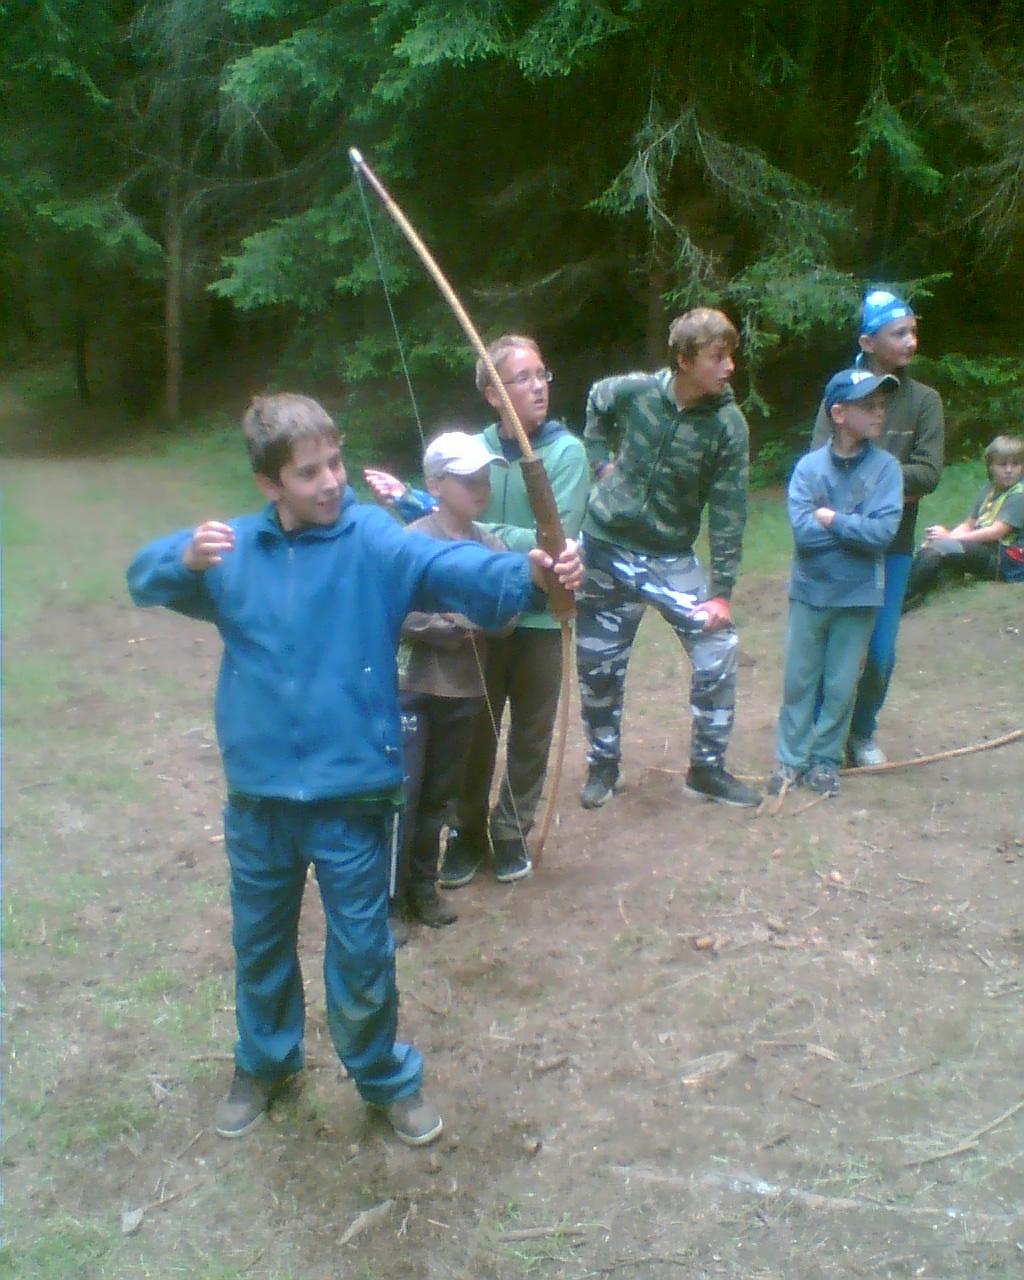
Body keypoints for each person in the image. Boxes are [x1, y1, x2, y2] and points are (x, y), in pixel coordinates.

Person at [126, 393, 582, 1145]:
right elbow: (145, 580)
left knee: (364, 949)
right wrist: (182, 557)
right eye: (309, 472)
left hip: (353, 796)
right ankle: (265, 1063)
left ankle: (380, 1076)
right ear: (270, 483)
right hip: (261, 798)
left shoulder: (372, 537)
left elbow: (449, 563)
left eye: (335, 462)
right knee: (260, 944)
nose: (331, 481)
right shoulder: (235, 551)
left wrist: (533, 579)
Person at [365, 334, 590, 886]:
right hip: (479, 619)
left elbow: (554, 537)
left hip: (541, 616)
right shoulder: (478, 448)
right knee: (473, 732)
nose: (538, 386)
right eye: (522, 378)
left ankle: (511, 831)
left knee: (532, 732)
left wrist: (440, 513)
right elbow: (461, 519)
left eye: (542, 374)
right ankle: (467, 833)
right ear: (493, 392)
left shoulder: (566, 453)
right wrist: (439, 515)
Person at [576, 307, 761, 810]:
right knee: (598, 665)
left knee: (718, 649)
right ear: (684, 360)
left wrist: (721, 591)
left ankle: (706, 770)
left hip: (670, 559)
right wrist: (599, 462)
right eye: (716, 357)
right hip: (604, 547)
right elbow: (597, 400)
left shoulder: (727, 426)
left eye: (730, 357)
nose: (728, 368)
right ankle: (603, 766)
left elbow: (729, 511)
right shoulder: (638, 392)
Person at [811, 290, 944, 766]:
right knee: (831, 645)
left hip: (894, 546)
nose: (911, 341)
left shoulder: (925, 401)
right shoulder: (840, 392)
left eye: (913, 331)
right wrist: (887, 485)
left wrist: (864, 480)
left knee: (880, 652)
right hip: (837, 545)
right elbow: (818, 466)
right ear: (868, 342)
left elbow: (928, 474)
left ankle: (861, 731)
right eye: (898, 333)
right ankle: (820, 733)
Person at [394, 430, 514, 929]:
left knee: (441, 796)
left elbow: (508, 611)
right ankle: (389, 900)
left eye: (484, 478)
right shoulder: (410, 541)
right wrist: (436, 626)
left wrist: (479, 620)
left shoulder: (492, 546)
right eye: (467, 479)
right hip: (411, 689)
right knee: (402, 794)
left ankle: (424, 889)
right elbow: (390, 608)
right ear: (434, 484)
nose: (479, 488)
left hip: (465, 691)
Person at [769, 368, 903, 800]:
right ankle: (790, 761)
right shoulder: (808, 468)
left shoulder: (887, 470)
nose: (879, 412)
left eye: (881, 404)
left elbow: (883, 534)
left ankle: (825, 762)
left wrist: (831, 518)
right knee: (799, 681)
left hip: (859, 595)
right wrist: (854, 528)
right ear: (839, 413)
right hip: (810, 592)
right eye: (869, 405)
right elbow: (804, 535)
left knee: (842, 685)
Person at [902, 434, 1024, 609]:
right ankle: (914, 589)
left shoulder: (1019, 495)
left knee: (942, 547)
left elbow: (996, 532)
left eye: (1016, 464)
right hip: (985, 549)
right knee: (935, 542)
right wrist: (945, 536)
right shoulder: (989, 489)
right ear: (990, 466)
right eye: (1002, 464)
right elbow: (969, 524)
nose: (1009, 470)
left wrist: (949, 539)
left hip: (1005, 560)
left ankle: (904, 598)